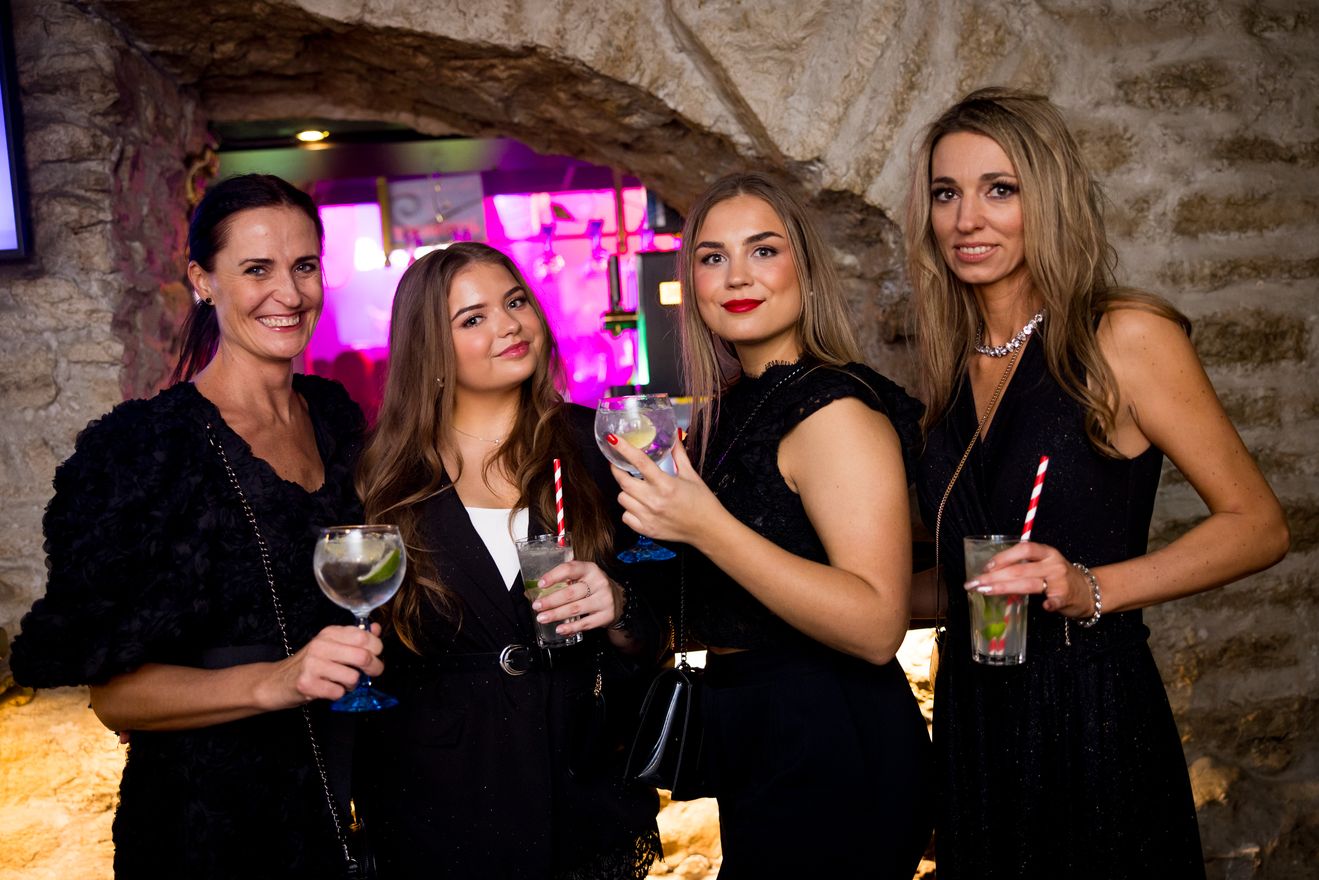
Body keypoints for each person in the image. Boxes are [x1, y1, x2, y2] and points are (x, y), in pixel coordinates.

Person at [904, 87, 1290, 879]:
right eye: (946, 194)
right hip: (976, 720)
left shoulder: (1121, 336)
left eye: (999, 189)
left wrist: (1090, 587)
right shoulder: (948, 368)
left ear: (1047, 199)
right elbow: (964, 581)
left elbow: (1258, 526)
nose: (966, 219)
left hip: (1089, 712)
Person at [9, 174, 382, 878]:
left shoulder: (335, 416)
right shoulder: (144, 448)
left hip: (343, 799)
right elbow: (115, 696)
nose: (289, 292)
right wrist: (276, 680)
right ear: (203, 281)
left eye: (304, 266)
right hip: (210, 824)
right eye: (256, 269)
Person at [605, 172, 933, 878]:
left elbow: (878, 626)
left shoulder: (832, 411)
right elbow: (732, 600)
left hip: (833, 736)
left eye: (763, 250)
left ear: (804, 269)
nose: (736, 276)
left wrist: (705, 525)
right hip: (756, 730)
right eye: (712, 257)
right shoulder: (732, 409)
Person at [354, 242, 662, 879]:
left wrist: (619, 605)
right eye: (474, 318)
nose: (510, 325)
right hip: (439, 806)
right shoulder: (385, 480)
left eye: (515, 302)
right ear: (430, 352)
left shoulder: (597, 448)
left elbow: (663, 626)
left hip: (578, 789)